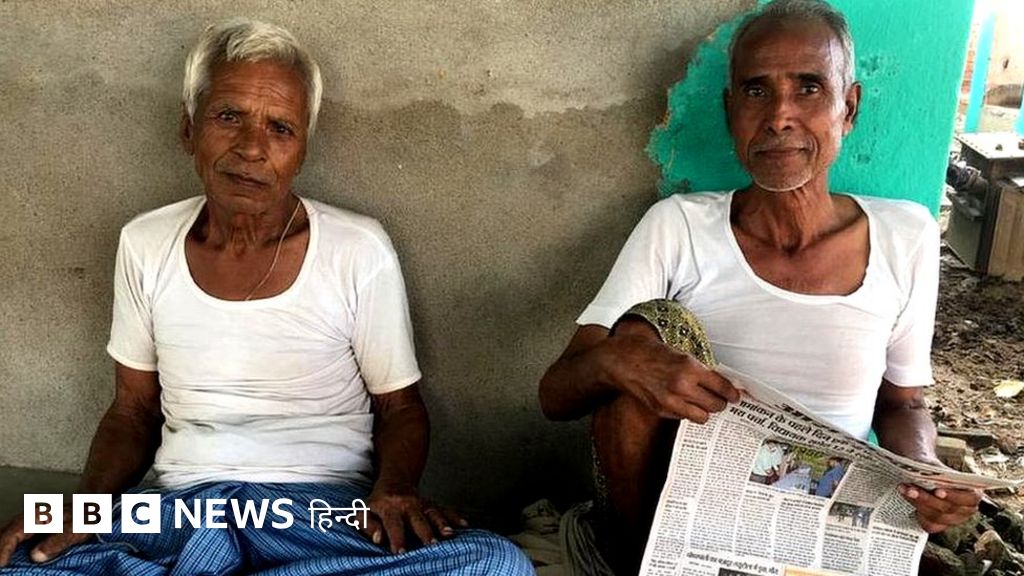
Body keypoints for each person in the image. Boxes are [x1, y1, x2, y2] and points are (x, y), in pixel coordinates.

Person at [0, 18, 531, 575]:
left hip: (321, 511)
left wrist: (394, 488)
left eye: (280, 128)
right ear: (188, 129)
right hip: (178, 506)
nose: (252, 148)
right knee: (19, 556)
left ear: (301, 151)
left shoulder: (357, 247)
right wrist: (87, 505)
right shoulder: (144, 242)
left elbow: (399, 407)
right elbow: (132, 412)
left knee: (493, 564)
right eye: (228, 117)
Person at [537, 0, 981, 572]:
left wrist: (926, 471)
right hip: (685, 522)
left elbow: (903, 403)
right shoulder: (680, 227)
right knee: (642, 345)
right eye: (755, 91)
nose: (779, 116)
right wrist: (620, 362)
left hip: (821, 522)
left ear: (849, 107)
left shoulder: (905, 234)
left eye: (809, 88)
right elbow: (555, 395)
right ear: (731, 112)